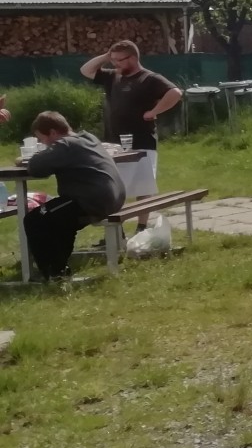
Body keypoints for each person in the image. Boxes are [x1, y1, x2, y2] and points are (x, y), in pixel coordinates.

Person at [80, 41, 180, 228]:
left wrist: (154, 111)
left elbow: (175, 93)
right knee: (114, 188)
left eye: (119, 60)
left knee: (144, 187)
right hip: (114, 144)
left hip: (142, 141)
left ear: (133, 58)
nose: (115, 63)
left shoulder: (149, 78)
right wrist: (106, 56)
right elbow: (86, 70)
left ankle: (142, 227)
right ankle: (116, 231)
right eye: (113, 60)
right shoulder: (113, 76)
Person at [23, 111, 126, 281]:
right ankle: (59, 268)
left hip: (91, 200)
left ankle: (53, 273)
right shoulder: (87, 137)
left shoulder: (65, 145)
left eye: (42, 140)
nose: (44, 144)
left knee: (35, 220)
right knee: (58, 216)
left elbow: (35, 167)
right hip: (113, 198)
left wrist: (32, 156)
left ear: (53, 132)